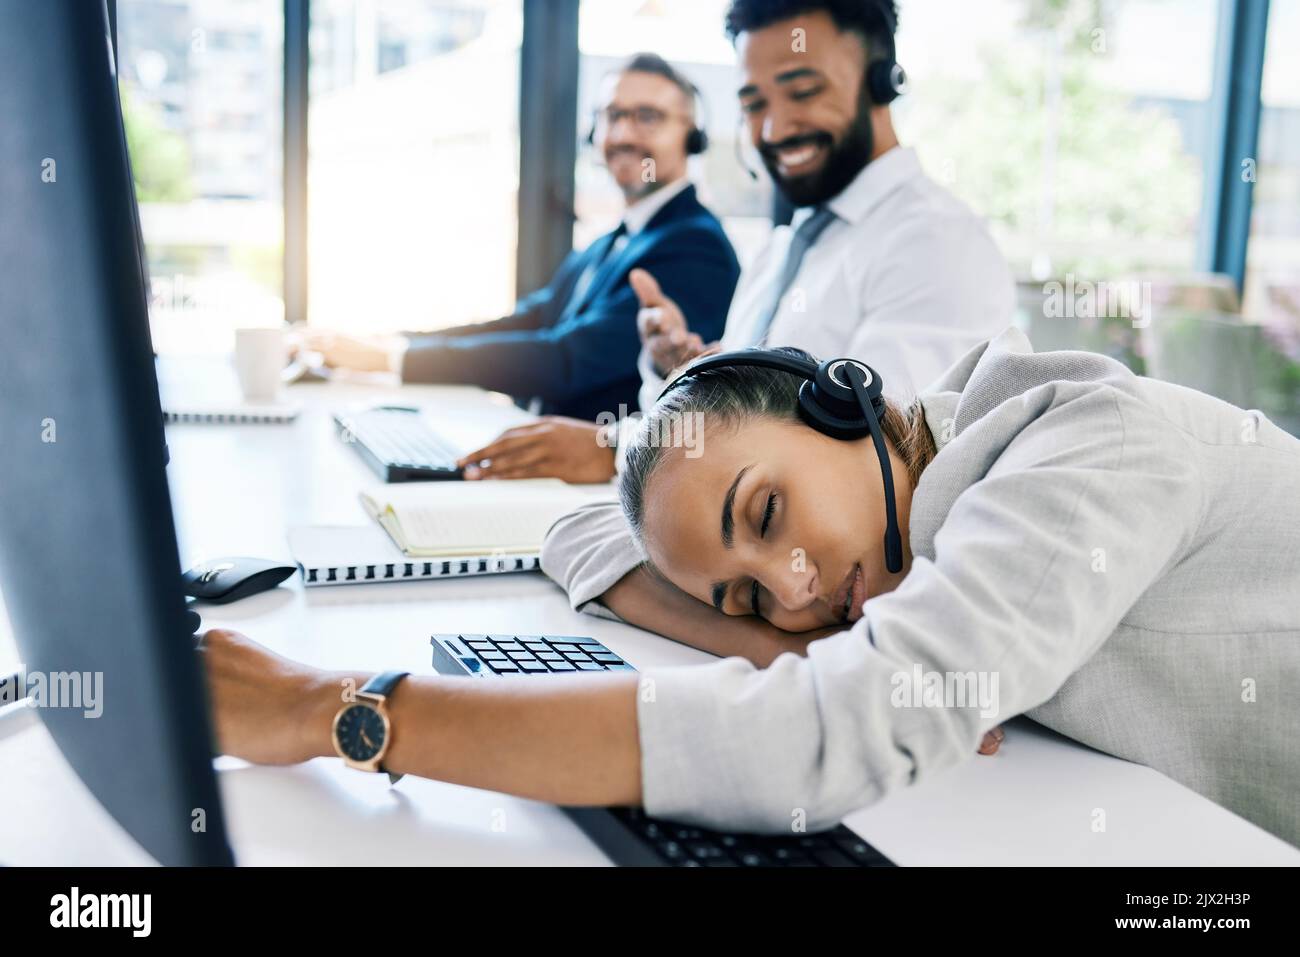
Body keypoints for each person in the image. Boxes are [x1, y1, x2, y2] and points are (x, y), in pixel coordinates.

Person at [199, 326, 1300, 846]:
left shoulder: (1095, 448)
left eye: (766, 514)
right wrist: (791, 649)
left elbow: (831, 739)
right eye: (739, 596)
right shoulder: (898, 528)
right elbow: (585, 530)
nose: (795, 586)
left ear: (848, 404)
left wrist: (336, 710)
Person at [456, 0, 1014, 483]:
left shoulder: (938, 244)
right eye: (754, 104)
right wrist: (682, 371)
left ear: (880, 82)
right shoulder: (783, 251)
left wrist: (615, 450)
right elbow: (735, 422)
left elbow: (864, 452)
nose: (773, 129)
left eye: (802, 91)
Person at [300, 53, 740, 427]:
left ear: (692, 135)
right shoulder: (612, 241)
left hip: (600, 492)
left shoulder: (695, 248)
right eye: (613, 115)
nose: (623, 134)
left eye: (648, 116)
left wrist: (390, 360)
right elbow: (532, 320)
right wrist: (391, 343)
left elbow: (564, 361)